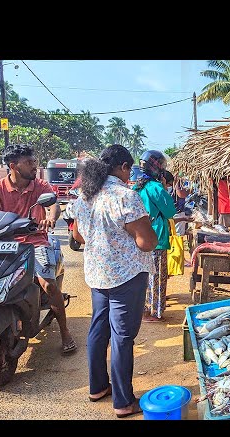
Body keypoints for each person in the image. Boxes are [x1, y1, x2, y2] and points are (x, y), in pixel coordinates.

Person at [69, 144, 157, 418]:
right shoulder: (125, 196)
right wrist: (136, 231)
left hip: (98, 274)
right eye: (129, 170)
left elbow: (79, 237)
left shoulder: (85, 195)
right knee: (122, 337)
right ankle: (123, 401)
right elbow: (146, 242)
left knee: (98, 329)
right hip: (126, 276)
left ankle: (97, 387)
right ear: (123, 167)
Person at [0, 144, 76, 355]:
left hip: (34, 241)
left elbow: (53, 206)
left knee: (48, 284)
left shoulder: (39, 186)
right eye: (29, 162)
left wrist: (50, 218)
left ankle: (65, 332)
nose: (34, 166)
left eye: (34, 161)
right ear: (13, 166)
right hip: (2, 243)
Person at [133, 150, 177, 322]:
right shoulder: (156, 188)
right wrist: (165, 188)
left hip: (139, 238)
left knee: (142, 276)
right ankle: (155, 312)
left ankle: (142, 309)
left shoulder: (137, 187)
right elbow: (170, 211)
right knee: (158, 277)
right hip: (156, 237)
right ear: (156, 167)